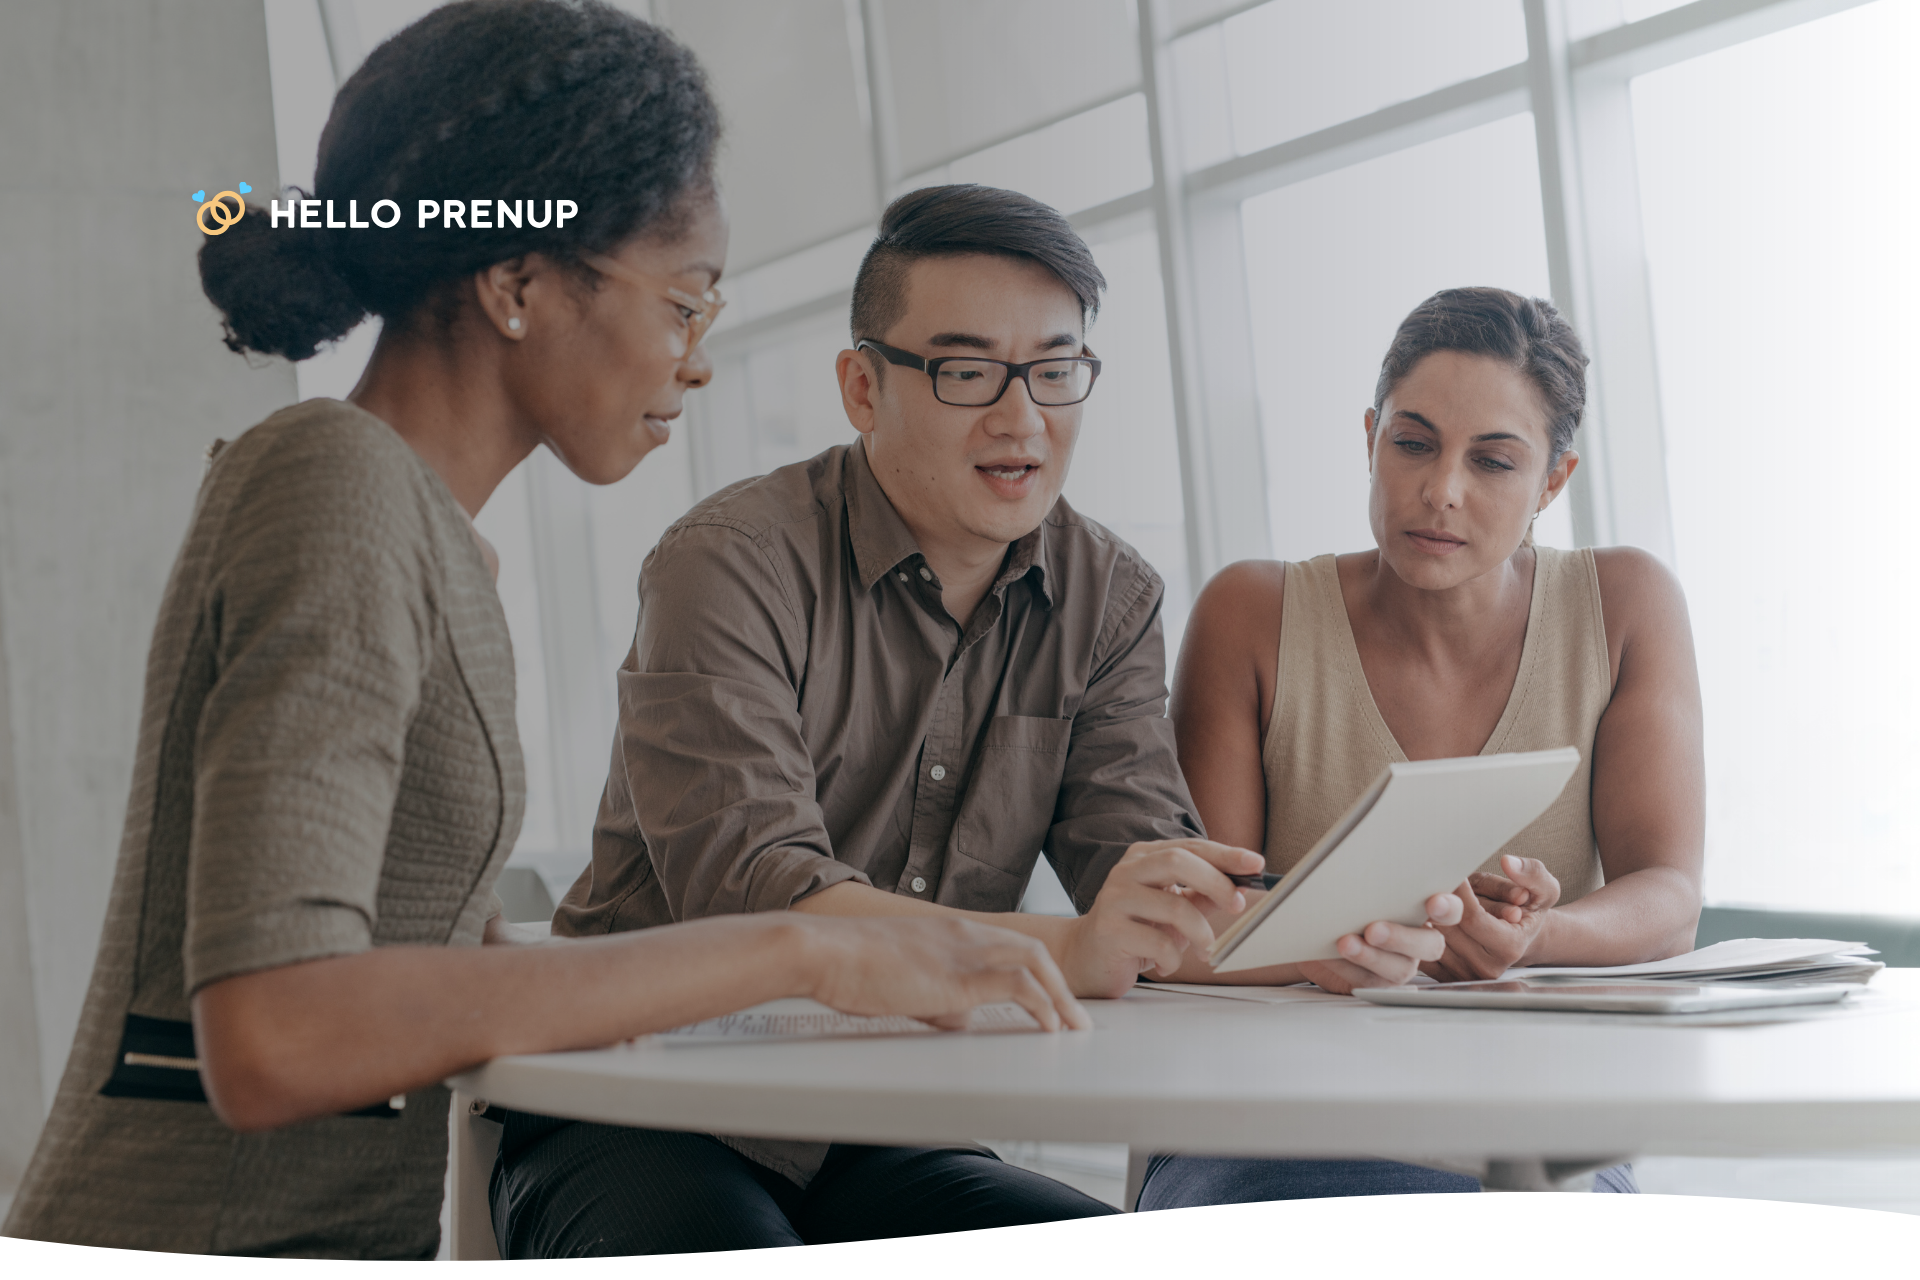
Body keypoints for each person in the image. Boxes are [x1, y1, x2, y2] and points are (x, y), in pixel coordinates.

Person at [1, 3, 1084, 1259]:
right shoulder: (335, 483)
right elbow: (275, 1027)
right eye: (684, 302)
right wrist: (797, 947)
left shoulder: (435, 535)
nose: (695, 361)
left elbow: (418, 960)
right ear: (516, 283)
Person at [492, 183, 1464, 1255]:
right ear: (864, 386)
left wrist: (1334, 936)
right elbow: (758, 893)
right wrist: (1075, 944)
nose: (1022, 418)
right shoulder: (728, 564)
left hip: (886, 1121)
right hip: (643, 1100)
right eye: (965, 372)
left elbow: (1145, 878)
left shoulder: (1109, 594)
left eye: (1055, 371)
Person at [1141, 286, 1705, 1207]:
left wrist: (1530, 939)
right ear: (1370, 438)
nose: (1441, 490)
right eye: (1412, 444)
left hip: (1531, 1119)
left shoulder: (1626, 604)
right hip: (1274, 1113)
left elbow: (1671, 899)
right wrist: (1357, 942)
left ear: (1552, 483)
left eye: (1493, 462)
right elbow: (1206, 914)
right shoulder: (1252, 614)